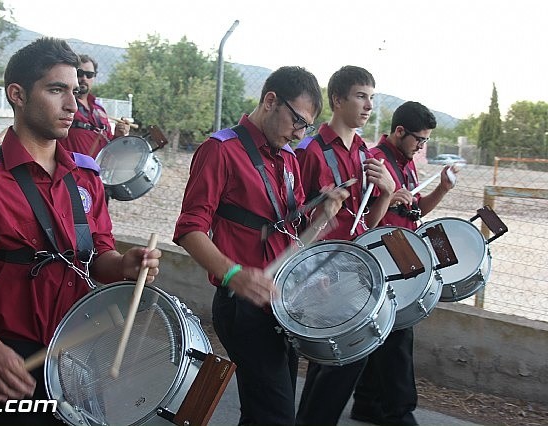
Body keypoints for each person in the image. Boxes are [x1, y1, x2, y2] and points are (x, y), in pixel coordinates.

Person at [0, 37, 161, 425]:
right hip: (14, 362)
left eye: (76, 91)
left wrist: (124, 264)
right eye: (57, 90)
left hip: (79, 354)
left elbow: (97, 256)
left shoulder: (86, 175)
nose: (71, 105)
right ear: (17, 95)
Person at [173, 65, 349, 425]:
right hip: (243, 307)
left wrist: (324, 216)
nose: (300, 134)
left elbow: (294, 239)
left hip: (281, 301)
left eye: (307, 127)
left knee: (264, 413)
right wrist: (233, 274)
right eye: (297, 121)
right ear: (271, 101)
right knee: (276, 415)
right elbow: (189, 229)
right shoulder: (220, 150)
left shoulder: (288, 159)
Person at [293, 65, 396, 425]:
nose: (368, 105)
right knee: (348, 356)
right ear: (337, 100)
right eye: (360, 96)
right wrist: (305, 274)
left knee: (333, 360)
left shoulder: (363, 152)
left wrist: (384, 193)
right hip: (320, 271)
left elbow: (367, 223)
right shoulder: (309, 150)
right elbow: (293, 219)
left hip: (353, 267)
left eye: (371, 97)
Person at [350, 100, 457, 426]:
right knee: (398, 339)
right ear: (399, 132)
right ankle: (400, 412)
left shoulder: (406, 162)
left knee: (386, 335)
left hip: (403, 256)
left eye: (425, 141)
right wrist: (388, 196)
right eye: (419, 140)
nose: (422, 146)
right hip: (382, 260)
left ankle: (367, 404)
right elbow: (361, 220)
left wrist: (441, 187)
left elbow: (416, 210)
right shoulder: (377, 162)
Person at [57, 54, 130, 158]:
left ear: (94, 77)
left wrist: (118, 135)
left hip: (98, 171)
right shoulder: (63, 104)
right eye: (80, 73)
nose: (84, 78)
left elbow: (108, 145)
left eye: (89, 75)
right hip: (71, 171)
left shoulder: (99, 109)